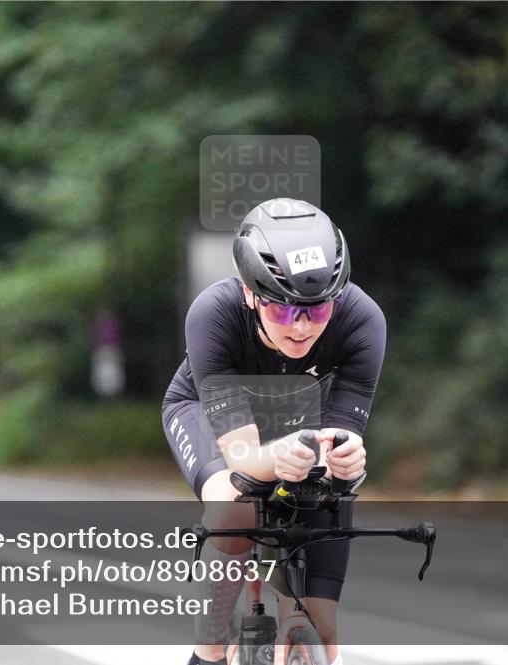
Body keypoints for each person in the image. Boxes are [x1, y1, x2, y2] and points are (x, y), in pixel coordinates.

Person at [163, 198, 386, 665]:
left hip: (303, 417)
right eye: (284, 312)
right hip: (209, 414)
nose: (303, 328)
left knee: (324, 628)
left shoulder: (363, 320)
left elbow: (344, 432)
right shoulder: (213, 315)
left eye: (319, 309)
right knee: (234, 506)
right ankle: (208, 650)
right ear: (250, 293)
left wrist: (346, 460)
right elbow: (243, 457)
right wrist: (272, 459)